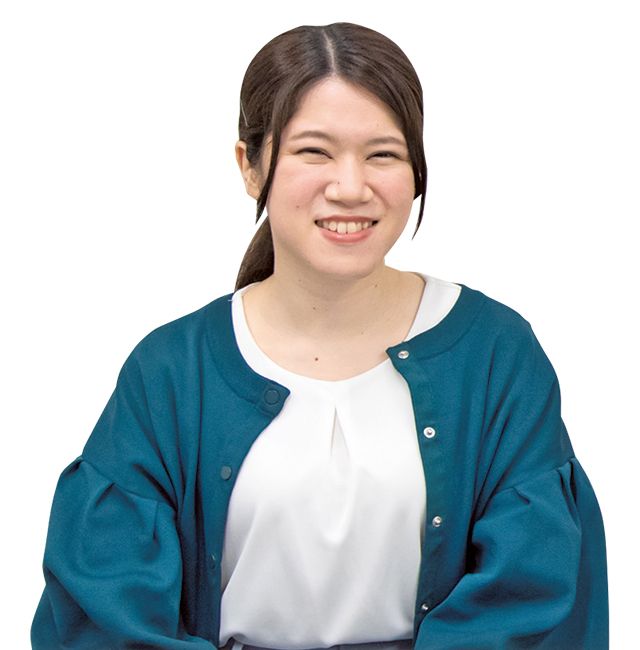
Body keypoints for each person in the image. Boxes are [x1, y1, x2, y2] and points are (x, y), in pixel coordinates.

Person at [31, 21, 608, 650]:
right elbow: (106, 610)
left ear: (417, 171)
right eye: (314, 151)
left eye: (383, 154)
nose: (351, 187)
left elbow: (535, 592)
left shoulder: (497, 356)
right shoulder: (171, 371)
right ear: (250, 166)